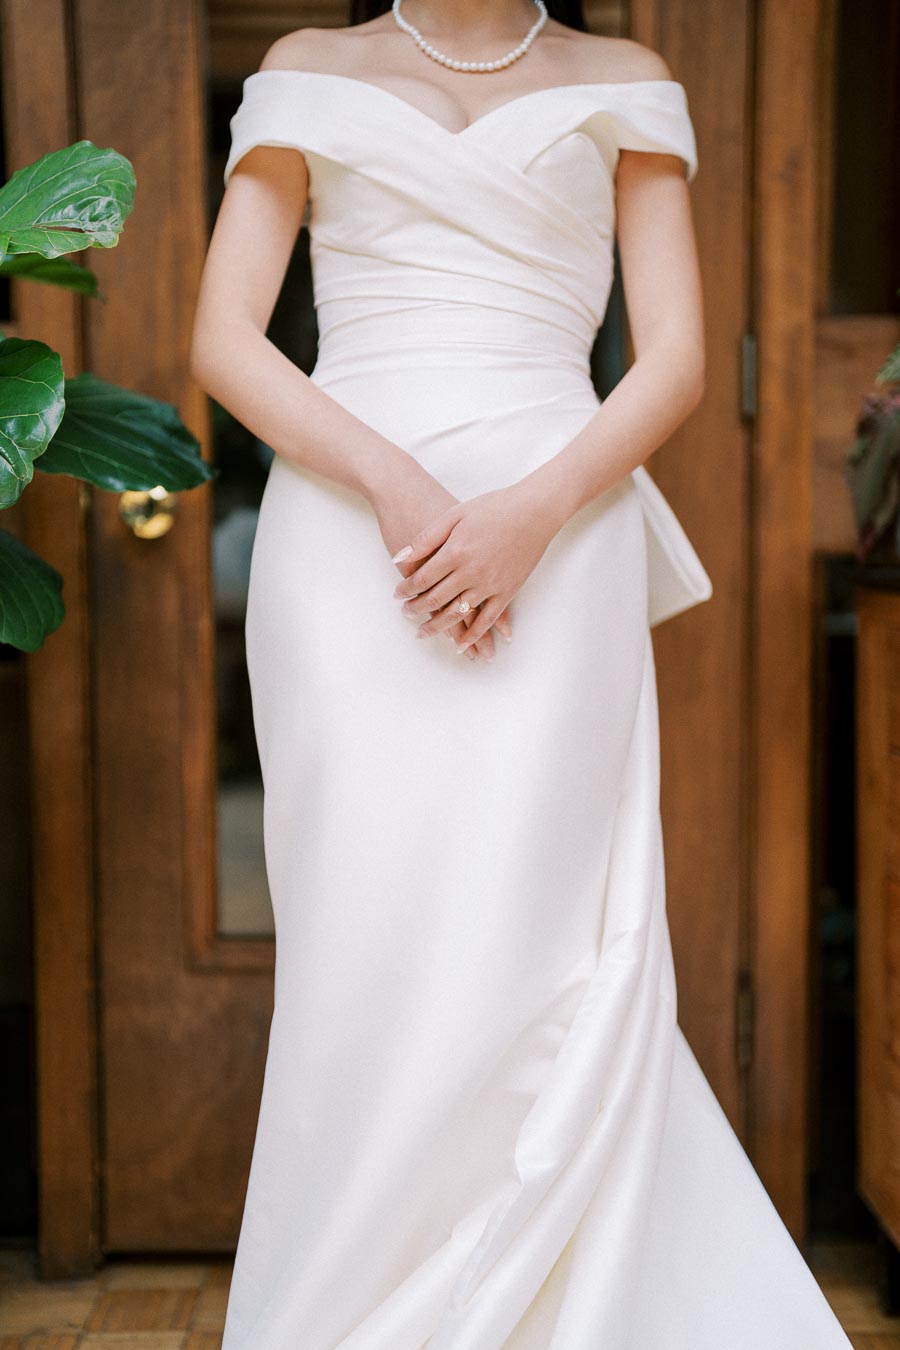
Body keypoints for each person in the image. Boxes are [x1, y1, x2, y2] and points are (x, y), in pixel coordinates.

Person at [189, 3, 854, 1345]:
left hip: (565, 533)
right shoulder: (309, 67)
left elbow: (674, 359)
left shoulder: (623, 78)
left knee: (537, 930)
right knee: (365, 937)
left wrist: (531, 515)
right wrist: (395, 483)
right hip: (348, 551)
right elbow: (224, 341)